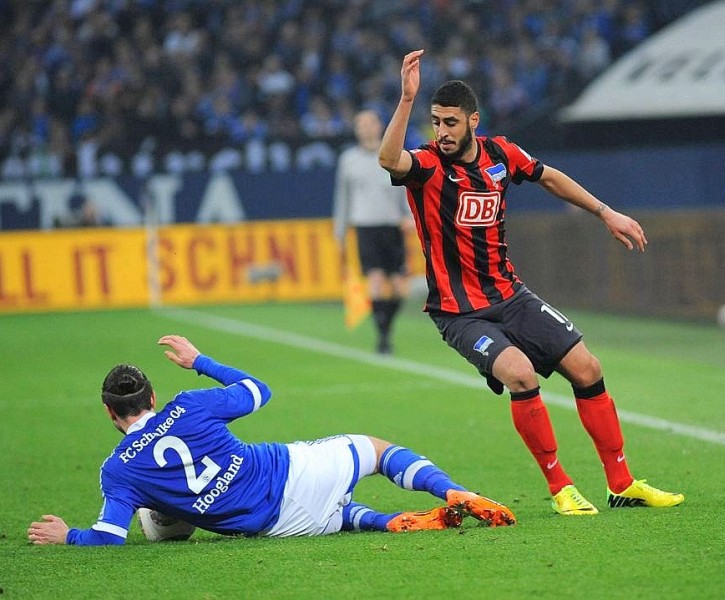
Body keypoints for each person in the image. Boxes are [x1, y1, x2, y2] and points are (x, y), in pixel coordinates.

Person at [378, 49, 684, 516]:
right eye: (436, 122)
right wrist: (406, 100)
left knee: (588, 368)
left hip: (510, 296)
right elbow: (387, 158)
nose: (441, 132)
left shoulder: (502, 154)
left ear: (472, 122)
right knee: (520, 374)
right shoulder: (426, 167)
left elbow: (549, 177)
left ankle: (621, 483)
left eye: (451, 123)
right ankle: (561, 487)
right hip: (459, 312)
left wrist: (605, 212)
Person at [27, 335, 515, 546]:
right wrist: (201, 361)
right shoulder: (188, 405)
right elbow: (259, 390)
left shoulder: (118, 469)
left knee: (338, 516)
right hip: (288, 471)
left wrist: (66, 534)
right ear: (152, 395)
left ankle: (387, 523)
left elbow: (109, 538)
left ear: (110, 413)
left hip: (272, 526)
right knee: (375, 450)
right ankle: (451, 491)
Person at [333, 109, 414, 354]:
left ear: (379, 126)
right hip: (365, 226)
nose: (366, 128)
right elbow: (343, 197)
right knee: (376, 280)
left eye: (370, 123)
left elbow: (406, 190)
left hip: (392, 225)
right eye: (361, 124)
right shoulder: (348, 160)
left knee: (400, 286)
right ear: (356, 129)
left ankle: (385, 328)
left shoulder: (393, 154)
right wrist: (339, 232)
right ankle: (383, 338)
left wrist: (410, 217)